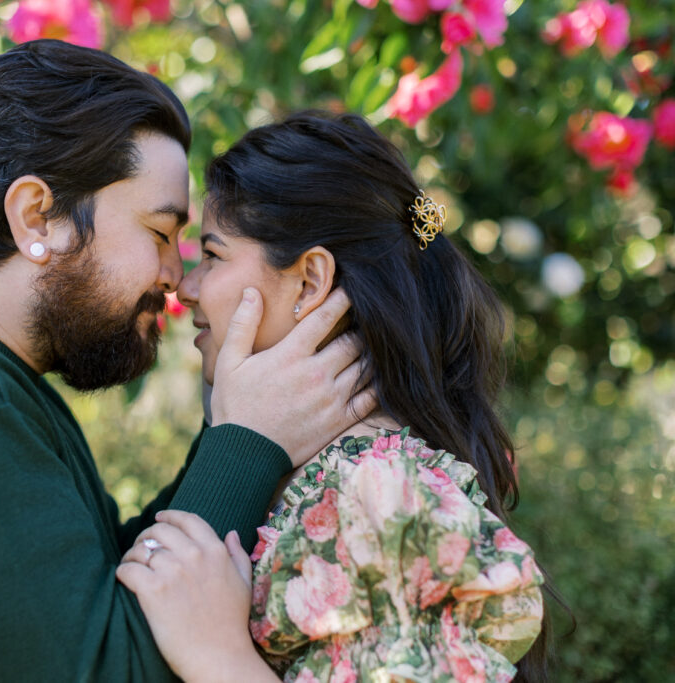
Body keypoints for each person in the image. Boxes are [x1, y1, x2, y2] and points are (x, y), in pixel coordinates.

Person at [0, 42, 376, 681]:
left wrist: (236, 428)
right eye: (159, 232)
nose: (176, 277)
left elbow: (112, 584)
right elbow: (109, 667)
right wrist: (247, 443)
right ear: (39, 216)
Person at [118, 111, 551, 682]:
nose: (187, 286)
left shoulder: (385, 496)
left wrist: (218, 659)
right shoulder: (309, 470)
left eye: (215, 255)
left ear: (310, 281)